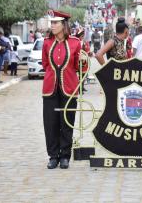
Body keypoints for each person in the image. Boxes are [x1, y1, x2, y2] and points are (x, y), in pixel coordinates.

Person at [42, 10, 81, 169]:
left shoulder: (75, 42)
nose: (52, 26)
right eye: (51, 23)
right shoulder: (46, 42)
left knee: (67, 122)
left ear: (63, 24)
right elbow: (45, 64)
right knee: (50, 122)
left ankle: (65, 155)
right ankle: (53, 156)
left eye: (55, 23)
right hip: (50, 87)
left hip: (70, 87)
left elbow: (79, 65)